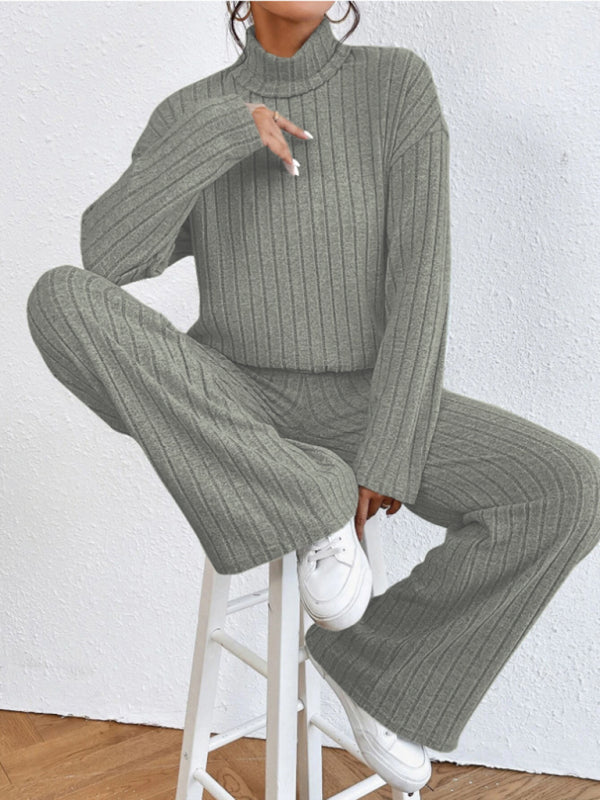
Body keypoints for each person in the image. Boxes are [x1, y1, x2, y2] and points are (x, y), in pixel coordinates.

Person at [25, 0, 600, 792]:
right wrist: (225, 131)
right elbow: (107, 257)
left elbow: (421, 283)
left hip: (365, 404)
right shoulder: (192, 111)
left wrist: (387, 455)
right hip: (231, 404)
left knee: (567, 489)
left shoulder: (396, 86)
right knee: (57, 298)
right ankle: (309, 502)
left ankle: (376, 672)